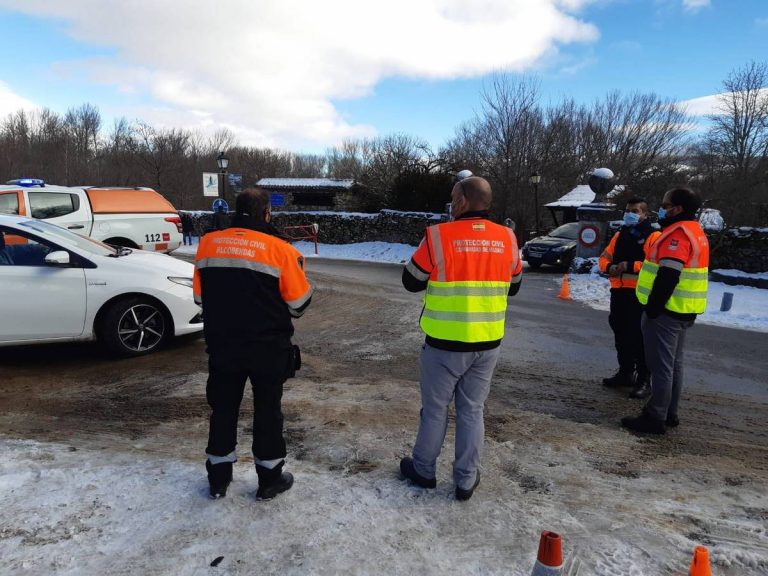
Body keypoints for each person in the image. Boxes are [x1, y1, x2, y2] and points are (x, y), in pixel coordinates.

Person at [400, 176, 523, 501]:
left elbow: (410, 280)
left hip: (444, 342)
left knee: (435, 409)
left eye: (454, 197)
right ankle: (466, 479)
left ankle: (424, 470)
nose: (452, 203)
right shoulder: (508, 238)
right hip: (487, 342)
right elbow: (515, 285)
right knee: (472, 410)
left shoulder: (438, 236)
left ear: (464, 202)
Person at [193, 188, 313, 499]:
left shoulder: (208, 244)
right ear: (266, 214)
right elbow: (299, 304)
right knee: (268, 411)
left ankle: (218, 478)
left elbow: (198, 297)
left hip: (222, 345)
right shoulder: (281, 250)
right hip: (268, 348)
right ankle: (269, 478)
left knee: (222, 408)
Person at [621, 187, 708, 435]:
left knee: (661, 367)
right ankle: (670, 412)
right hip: (684, 309)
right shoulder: (695, 231)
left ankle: (655, 416)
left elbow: (669, 274)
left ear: (677, 209)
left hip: (667, 311)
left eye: (665, 204)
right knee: (674, 365)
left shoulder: (677, 235)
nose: (662, 208)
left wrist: (653, 308)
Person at [599, 197, 661, 399]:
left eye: (635, 210)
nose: (629, 214)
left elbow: (655, 266)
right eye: (627, 210)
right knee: (621, 334)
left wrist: (630, 266)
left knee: (640, 339)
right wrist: (610, 267)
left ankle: (644, 380)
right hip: (619, 291)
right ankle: (626, 372)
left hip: (640, 294)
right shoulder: (620, 235)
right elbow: (604, 258)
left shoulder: (653, 236)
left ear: (645, 214)